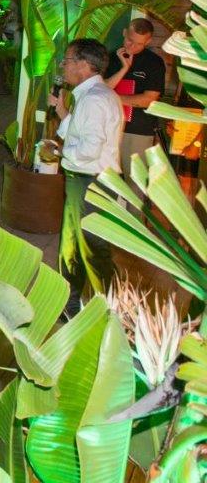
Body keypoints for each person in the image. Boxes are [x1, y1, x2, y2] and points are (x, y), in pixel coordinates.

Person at [47, 38, 123, 316]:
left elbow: (89, 150)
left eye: (67, 61)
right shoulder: (96, 95)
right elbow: (83, 135)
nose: (63, 66)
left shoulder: (94, 100)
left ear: (84, 65)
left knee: (89, 249)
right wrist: (62, 112)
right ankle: (72, 307)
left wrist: (60, 152)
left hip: (90, 181)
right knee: (76, 247)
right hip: (91, 180)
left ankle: (105, 312)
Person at [104, 19, 166, 177]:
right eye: (130, 40)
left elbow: (149, 100)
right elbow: (100, 90)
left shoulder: (154, 63)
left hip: (137, 131)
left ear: (148, 41)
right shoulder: (109, 58)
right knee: (107, 181)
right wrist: (124, 69)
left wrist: (113, 98)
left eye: (139, 44)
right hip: (107, 128)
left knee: (135, 182)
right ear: (124, 33)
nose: (132, 47)